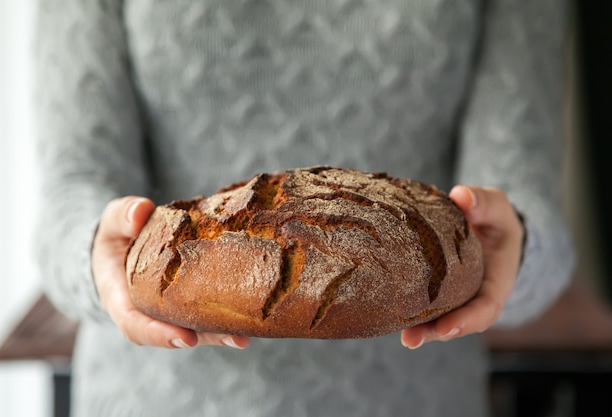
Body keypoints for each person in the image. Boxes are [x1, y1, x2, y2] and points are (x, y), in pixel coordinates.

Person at [33, 0, 574, 416]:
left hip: (411, 396)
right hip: (156, 397)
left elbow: (524, 212)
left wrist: (518, 248)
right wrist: (96, 254)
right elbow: (72, 191)